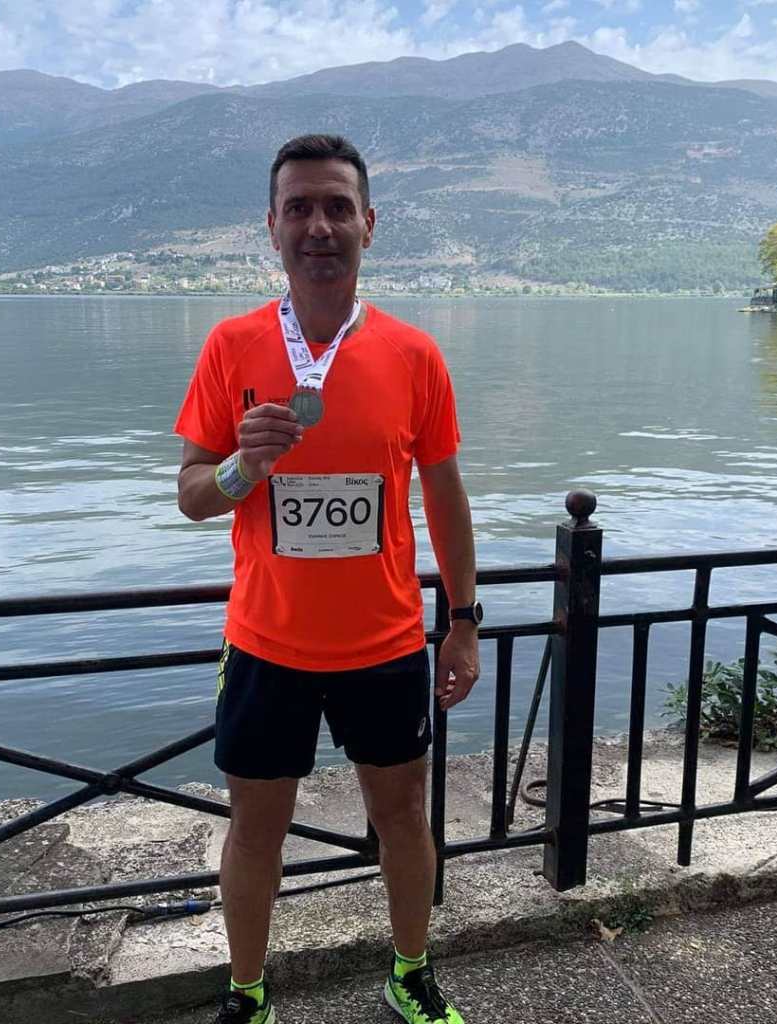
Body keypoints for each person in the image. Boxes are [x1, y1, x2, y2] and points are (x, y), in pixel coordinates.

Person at [174, 133, 480, 1024]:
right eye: (300, 208)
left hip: (384, 644)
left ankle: (410, 972)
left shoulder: (414, 354)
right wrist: (243, 467)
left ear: (368, 225)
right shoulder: (231, 345)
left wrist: (464, 620)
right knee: (255, 830)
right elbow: (192, 497)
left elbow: (445, 494)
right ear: (271, 226)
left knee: (404, 819)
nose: (319, 225)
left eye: (337, 207)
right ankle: (246, 993)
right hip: (266, 644)